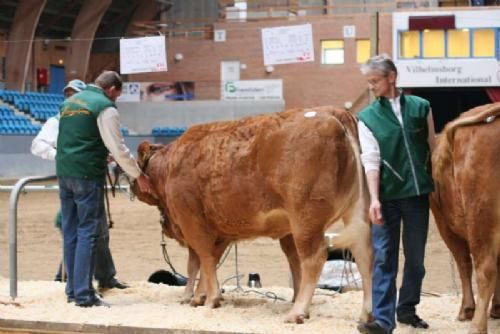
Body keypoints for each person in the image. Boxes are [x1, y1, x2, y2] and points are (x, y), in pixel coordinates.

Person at [55, 71, 152, 307]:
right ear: (111, 89)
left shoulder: (68, 103)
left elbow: (75, 137)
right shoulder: (105, 107)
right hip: (87, 175)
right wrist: (138, 175)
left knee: (71, 233)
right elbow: (118, 148)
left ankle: (72, 291)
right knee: (89, 232)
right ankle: (84, 295)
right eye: (116, 95)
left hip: (65, 172)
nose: (115, 100)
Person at [356, 55, 436, 334]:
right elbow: (371, 160)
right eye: (368, 82)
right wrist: (374, 199)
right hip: (386, 197)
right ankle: (382, 320)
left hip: (417, 196)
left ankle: (407, 310)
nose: (371, 87)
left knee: (415, 258)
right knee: (384, 257)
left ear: (392, 77)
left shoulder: (420, 108)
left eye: (375, 81)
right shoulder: (367, 117)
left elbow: (432, 149)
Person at [31, 79, 129, 290]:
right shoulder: (57, 120)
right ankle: (70, 279)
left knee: (94, 230)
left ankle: (102, 277)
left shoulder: (89, 116)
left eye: (73, 93)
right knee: (83, 230)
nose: (69, 97)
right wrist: (64, 156)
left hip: (85, 177)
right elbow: (37, 145)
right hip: (78, 177)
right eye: (67, 93)